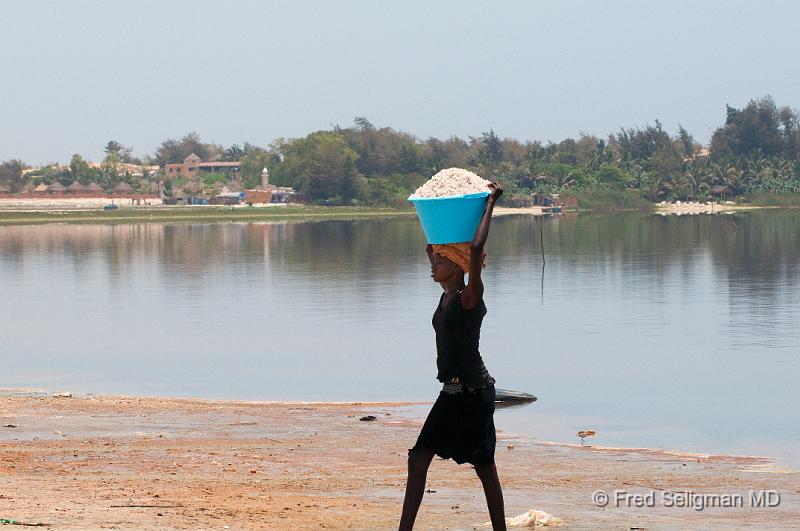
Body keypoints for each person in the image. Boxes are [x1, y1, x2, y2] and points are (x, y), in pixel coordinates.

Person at [399, 182, 506, 530]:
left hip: (474, 393)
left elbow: (475, 248)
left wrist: (489, 202)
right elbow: (431, 245)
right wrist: (431, 219)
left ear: (458, 265)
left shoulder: (469, 296)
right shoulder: (445, 295)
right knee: (418, 458)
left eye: (441, 259)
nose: (432, 262)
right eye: (434, 257)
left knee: (485, 468)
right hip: (450, 392)